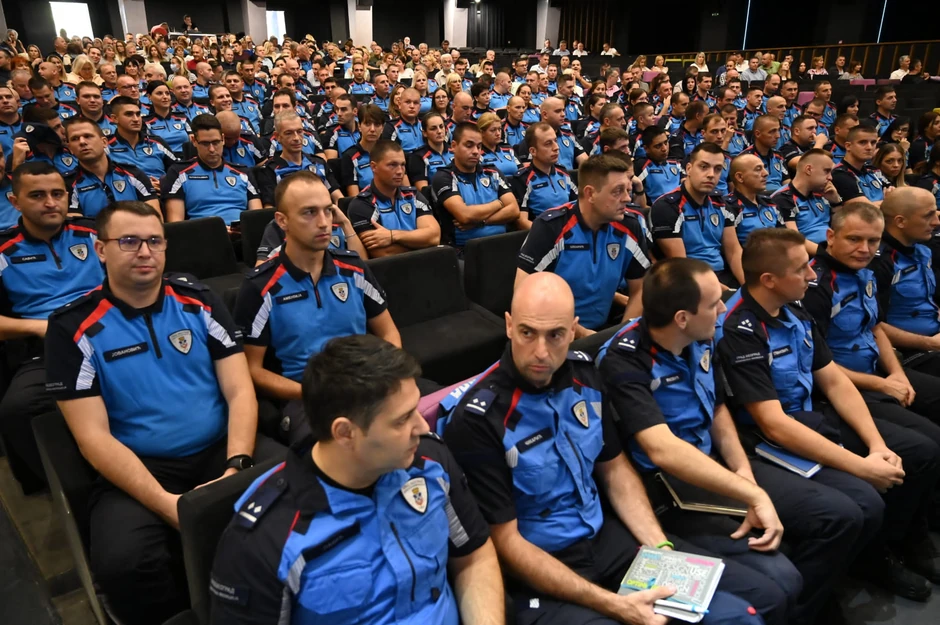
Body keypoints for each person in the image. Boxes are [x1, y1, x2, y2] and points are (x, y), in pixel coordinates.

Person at [441, 272, 765, 625]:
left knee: (742, 614)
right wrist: (613, 604)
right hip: (544, 566)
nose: (541, 352)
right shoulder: (479, 418)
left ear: (574, 329)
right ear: (508, 326)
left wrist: (660, 550)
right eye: (527, 333)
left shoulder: (585, 375)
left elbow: (615, 470)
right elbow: (507, 542)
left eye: (556, 335)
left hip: (607, 539)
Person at [597, 256, 876, 624]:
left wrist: (743, 472)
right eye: (714, 303)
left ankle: (808, 611)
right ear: (682, 318)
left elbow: (717, 410)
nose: (723, 310)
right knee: (781, 579)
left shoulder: (701, 337)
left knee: (845, 514)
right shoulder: (623, 359)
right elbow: (662, 449)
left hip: (714, 464)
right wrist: (750, 493)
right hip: (668, 487)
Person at [44, 200, 279, 624]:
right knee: (126, 564)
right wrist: (171, 506)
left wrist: (237, 465)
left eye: (154, 241)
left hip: (222, 447)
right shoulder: (70, 328)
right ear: (100, 250)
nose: (145, 252)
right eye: (129, 241)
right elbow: (92, 437)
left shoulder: (199, 300)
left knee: (302, 490)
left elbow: (240, 390)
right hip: (141, 464)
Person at [211, 333, 502, 623]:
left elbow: (473, 557)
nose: (422, 426)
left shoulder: (429, 460)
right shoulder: (264, 539)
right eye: (402, 419)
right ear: (345, 433)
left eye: (415, 408)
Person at [717, 227, 940, 601]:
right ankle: (858, 570)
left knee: (919, 451)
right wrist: (861, 467)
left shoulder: (792, 305)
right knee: (861, 503)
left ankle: (899, 542)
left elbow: (833, 380)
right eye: (801, 268)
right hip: (765, 437)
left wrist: (876, 445)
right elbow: (773, 423)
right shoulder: (740, 328)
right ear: (769, 280)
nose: (812, 274)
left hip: (810, 413)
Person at [234, 172, 399, 438]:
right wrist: (313, 393)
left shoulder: (354, 267)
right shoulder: (259, 286)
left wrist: (387, 373)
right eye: (309, 212)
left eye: (327, 210)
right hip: (307, 397)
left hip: (366, 381)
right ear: (282, 221)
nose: (324, 223)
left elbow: (389, 332)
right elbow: (252, 369)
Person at [0, 162, 105, 491]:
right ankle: (66, 488)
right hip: (46, 345)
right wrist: (38, 328)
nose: (50, 203)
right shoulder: (3, 250)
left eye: (58, 194)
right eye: (37, 195)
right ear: (15, 201)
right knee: (17, 410)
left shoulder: (94, 233)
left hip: (108, 331)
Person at [803, 202, 940, 448]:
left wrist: (897, 373)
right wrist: (883, 384)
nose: (864, 249)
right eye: (854, 239)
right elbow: (815, 364)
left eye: (873, 241)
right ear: (831, 237)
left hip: (877, 370)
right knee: (927, 446)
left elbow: (874, 328)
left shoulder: (863, 272)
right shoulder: (815, 287)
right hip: (842, 388)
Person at [516, 154, 649, 336]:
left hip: (605, 329)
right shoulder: (551, 227)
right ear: (590, 193)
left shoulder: (630, 226)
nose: (627, 198)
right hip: (553, 331)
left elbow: (640, 288)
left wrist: (622, 335)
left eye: (628, 190)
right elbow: (524, 292)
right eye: (617, 191)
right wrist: (582, 334)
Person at [652, 142, 744, 288]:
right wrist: (722, 291)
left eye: (718, 169)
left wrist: (748, 288)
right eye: (704, 167)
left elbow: (734, 252)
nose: (711, 174)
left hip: (722, 275)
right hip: (687, 281)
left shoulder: (721, 204)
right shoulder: (667, 207)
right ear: (689, 169)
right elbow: (681, 263)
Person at [870, 187, 940, 372]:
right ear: (900, 221)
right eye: (928, 215)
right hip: (908, 351)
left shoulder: (922, 249)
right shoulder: (879, 262)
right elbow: (873, 326)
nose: (936, 222)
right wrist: (930, 343)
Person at [430, 122, 519, 248]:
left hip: (503, 243)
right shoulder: (444, 177)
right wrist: (499, 203)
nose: (476, 151)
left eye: (479, 146)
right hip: (466, 249)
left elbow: (514, 210)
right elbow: (465, 215)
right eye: (469, 145)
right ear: (454, 146)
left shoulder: (492, 172)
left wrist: (481, 222)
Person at [347, 140, 441, 258]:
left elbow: (434, 237)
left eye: (402, 165)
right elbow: (383, 253)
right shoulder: (361, 204)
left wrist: (393, 236)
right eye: (392, 165)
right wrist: (422, 242)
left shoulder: (413, 195)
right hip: (390, 268)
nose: (400, 171)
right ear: (374, 167)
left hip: (425, 264)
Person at [163, 114, 262, 225]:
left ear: (223, 139)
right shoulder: (178, 173)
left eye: (216, 142)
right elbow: (176, 224)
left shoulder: (244, 173)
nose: (211, 149)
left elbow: (257, 218)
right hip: (202, 233)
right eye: (205, 143)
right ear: (194, 141)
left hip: (241, 232)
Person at [63, 116, 160, 218]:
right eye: (75, 139)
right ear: (70, 149)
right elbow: (76, 225)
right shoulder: (67, 184)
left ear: (104, 142)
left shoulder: (134, 174)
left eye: (88, 136)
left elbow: (154, 218)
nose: (82, 142)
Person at [255, 112, 341, 207]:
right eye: (289, 133)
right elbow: (269, 209)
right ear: (277, 136)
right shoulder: (269, 171)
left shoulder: (319, 163)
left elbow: (338, 198)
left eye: (299, 131)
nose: (296, 138)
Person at [511, 122, 576, 228]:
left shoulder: (563, 172)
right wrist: (547, 234)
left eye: (555, 141)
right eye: (548, 144)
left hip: (569, 230)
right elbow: (522, 221)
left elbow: (579, 205)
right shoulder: (523, 178)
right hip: (543, 233)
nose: (556, 147)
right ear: (533, 151)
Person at [106, 96, 178, 182]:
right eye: (129, 114)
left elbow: (177, 171)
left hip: (160, 189)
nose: (136, 119)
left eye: (138, 114)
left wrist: (164, 183)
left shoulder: (157, 142)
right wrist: (145, 185)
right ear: (114, 118)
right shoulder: (106, 146)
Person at [724, 153, 783, 246]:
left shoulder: (770, 203)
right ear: (740, 177)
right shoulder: (728, 207)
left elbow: (784, 238)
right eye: (758, 169)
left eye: (764, 168)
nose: (766, 173)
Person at [831, 125, 889, 206]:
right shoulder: (839, 174)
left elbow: (897, 196)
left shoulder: (874, 170)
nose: (869, 147)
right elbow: (865, 209)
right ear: (848, 146)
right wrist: (889, 202)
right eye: (863, 142)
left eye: (873, 143)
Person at [338, 103, 385, 196]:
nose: (372, 129)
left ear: (382, 128)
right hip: (366, 202)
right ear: (359, 126)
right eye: (367, 124)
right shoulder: (349, 156)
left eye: (377, 124)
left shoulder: (389, 152)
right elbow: (354, 198)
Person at [406, 111, 453, 192]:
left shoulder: (454, 151)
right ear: (425, 133)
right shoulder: (418, 157)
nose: (439, 131)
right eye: (433, 128)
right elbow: (423, 190)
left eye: (441, 127)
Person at [635, 126, 683, 204]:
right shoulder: (642, 167)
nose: (664, 149)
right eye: (658, 146)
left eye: (666, 143)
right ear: (646, 148)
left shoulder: (676, 164)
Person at [143, 81, 192, 156]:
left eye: (167, 93)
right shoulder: (145, 122)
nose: (165, 97)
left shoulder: (182, 118)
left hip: (186, 158)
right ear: (149, 96)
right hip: (162, 159)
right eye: (159, 93)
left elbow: (193, 139)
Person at [479, 112, 520, 179]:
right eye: (493, 130)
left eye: (499, 129)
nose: (498, 133)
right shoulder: (478, 154)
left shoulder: (508, 149)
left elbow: (521, 170)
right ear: (482, 133)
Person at [382, 87, 424, 152]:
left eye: (415, 103)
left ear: (419, 107)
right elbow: (389, 155)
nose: (412, 106)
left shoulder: (425, 124)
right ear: (399, 104)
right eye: (408, 102)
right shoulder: (391, 127)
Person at [322, 94, 361, 161]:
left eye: (343, 109)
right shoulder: (331, 133)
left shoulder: (362, 130)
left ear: (355, 111)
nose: (339, 113)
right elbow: (332, 164)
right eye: (337, 109)